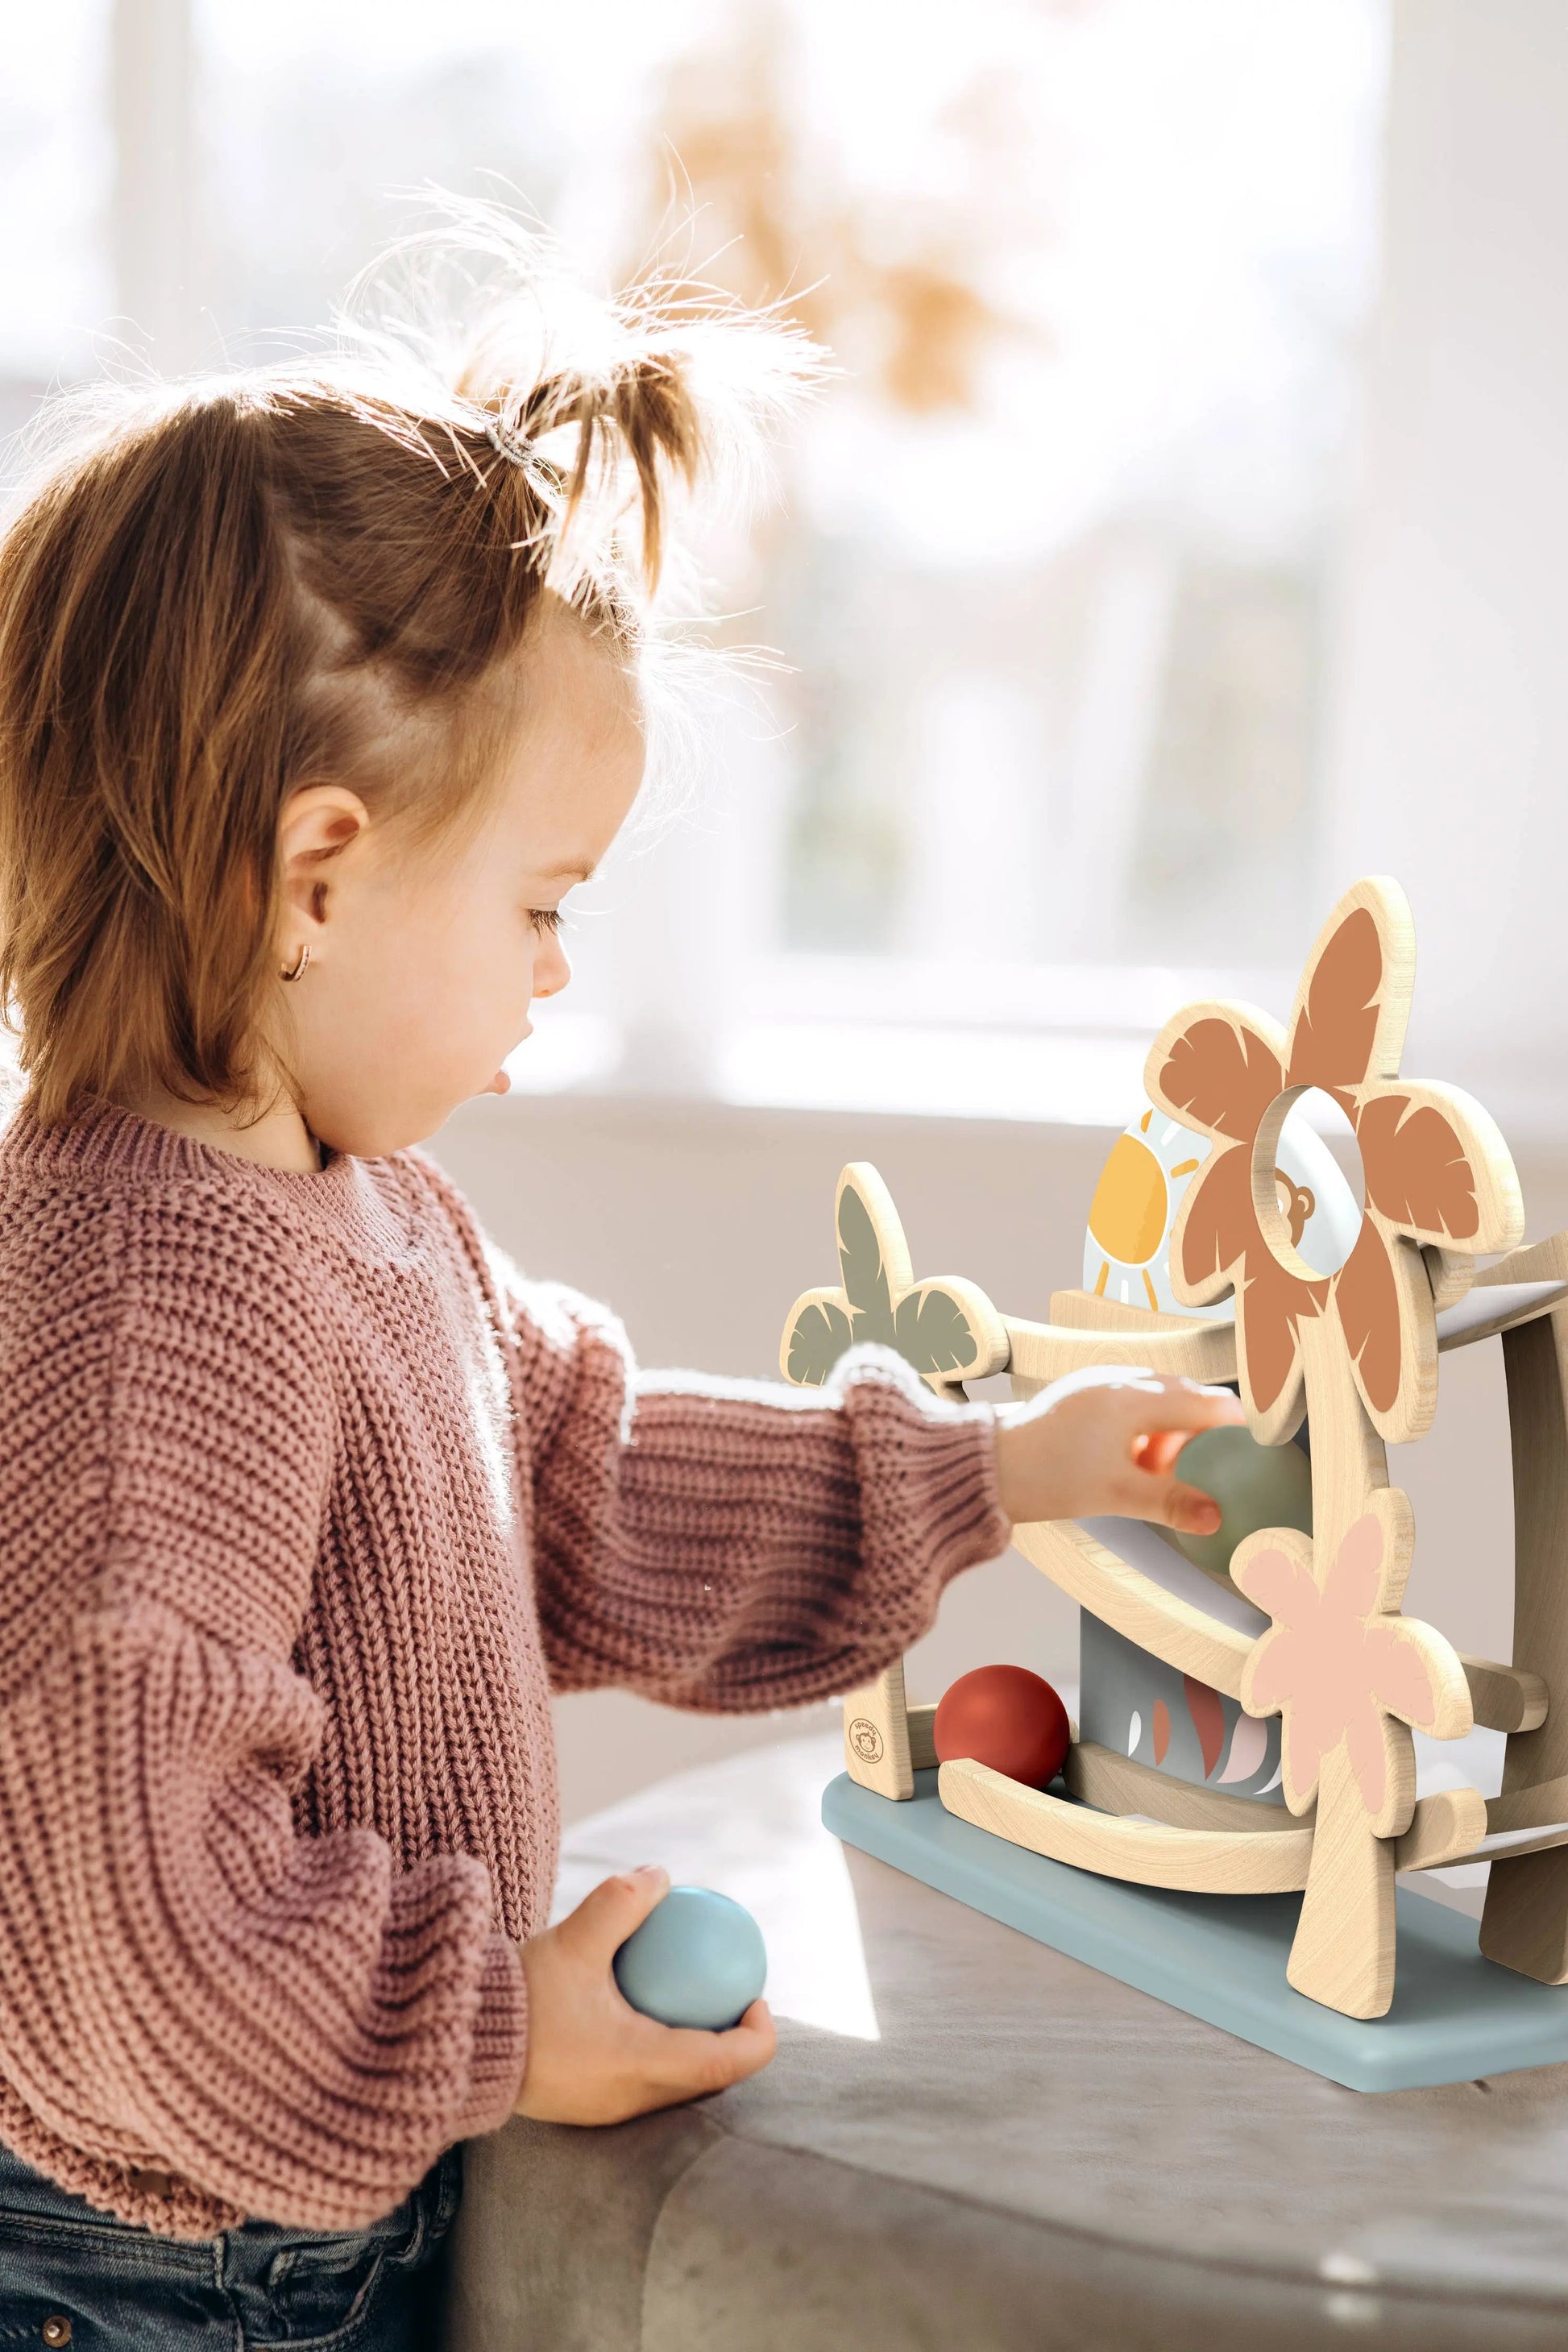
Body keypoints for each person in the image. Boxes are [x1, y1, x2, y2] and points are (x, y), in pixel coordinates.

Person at [0, 214, 1240, 2346]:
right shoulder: (146, 1317)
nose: (557, 979)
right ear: (317, 874)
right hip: (176, 2275)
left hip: (314, 2204)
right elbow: (129, 1924)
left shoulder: (353, 1210)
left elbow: (584, 1485)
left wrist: (989, 1473)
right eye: (544, 904)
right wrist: (498, 2024)